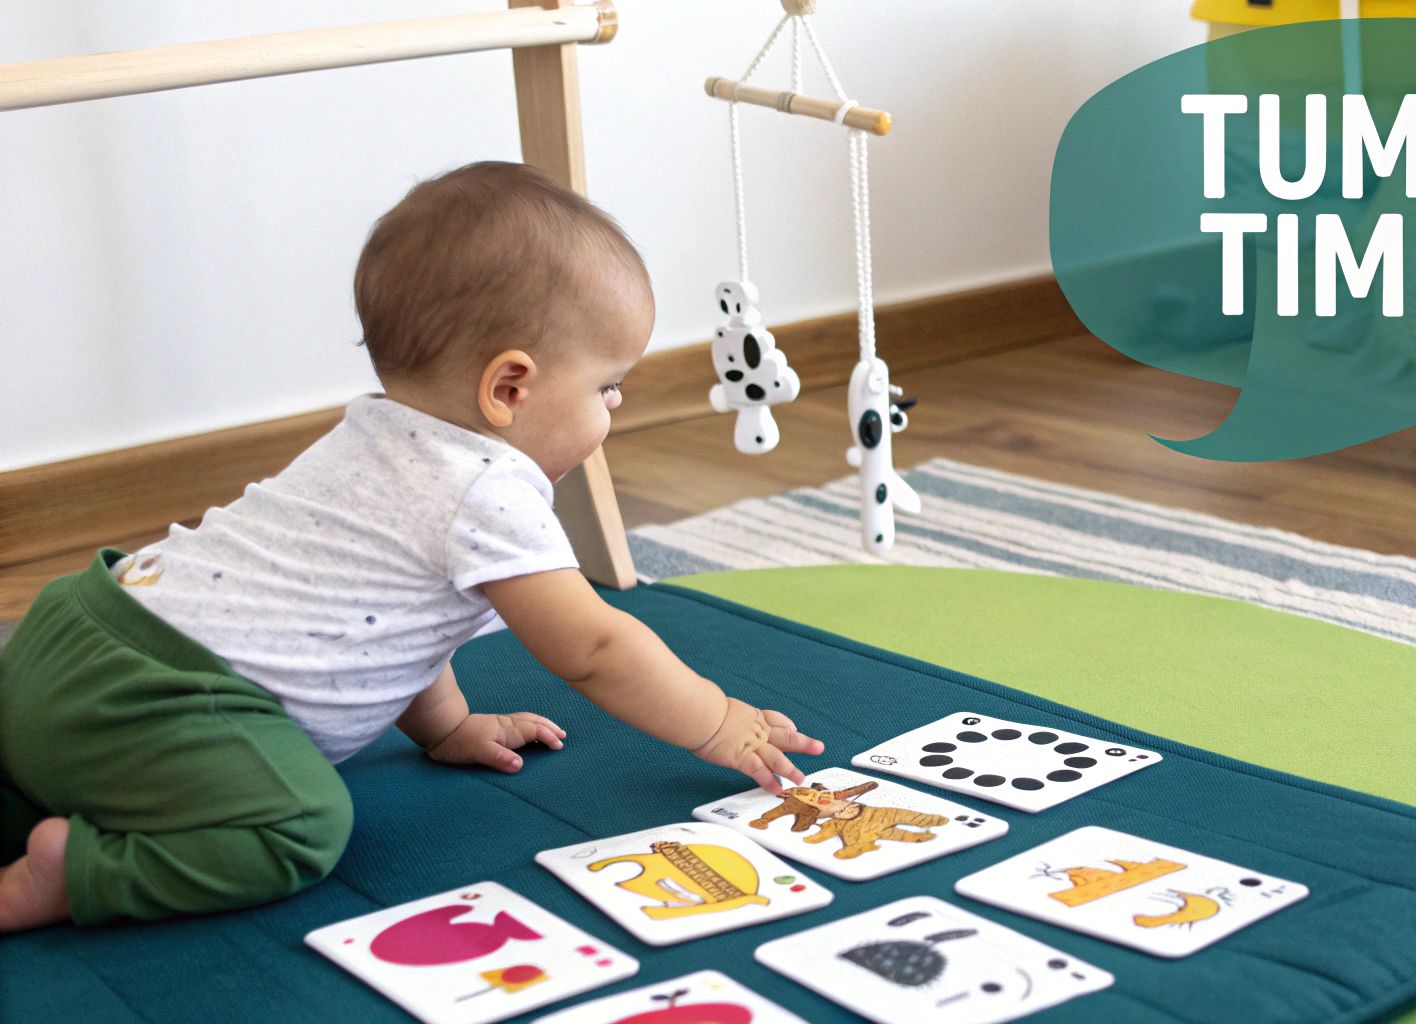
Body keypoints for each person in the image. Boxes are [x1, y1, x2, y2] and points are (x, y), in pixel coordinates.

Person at [0, 161, 823, 931]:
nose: (613, 408)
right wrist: (717, 722)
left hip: (68, 641)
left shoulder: (376, 436)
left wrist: (446, 727)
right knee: (301, 823)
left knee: (53, 757)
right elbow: (597, 647)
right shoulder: (485, 490)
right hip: (159, 705)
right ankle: (73, 875)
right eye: (608, 385)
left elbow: (385, 622)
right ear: (510, 388)